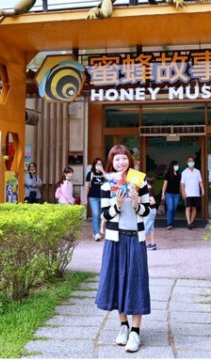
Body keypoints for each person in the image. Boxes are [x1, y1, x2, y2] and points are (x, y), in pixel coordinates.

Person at [95, 144, 151, 353]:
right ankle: (123, 327)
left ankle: (136, 331)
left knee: (136, 282)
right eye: (116, 159)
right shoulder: (108, 183)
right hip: (114, 239)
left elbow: (147, 212)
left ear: (130, 160)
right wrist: (117, 204)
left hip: (135, 238)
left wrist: (137, 204)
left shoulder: (138, 179)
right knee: (117, 281)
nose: (121, 162)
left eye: (124, 158)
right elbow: (104, 215)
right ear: (111, 162)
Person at [84, 158, 108, 241]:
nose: (99, 166)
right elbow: (87, 186)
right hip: (93, 197)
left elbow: (110, 180)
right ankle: (96, 233)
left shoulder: (104, 174)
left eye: (100, 164)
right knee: (96, 214)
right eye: (97, 164)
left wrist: (103, 171)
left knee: (102, 215)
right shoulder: (90, 174)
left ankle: (98, 232)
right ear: (94, 165)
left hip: (103, 197)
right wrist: (85, 197)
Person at [180, 156, 203, 230]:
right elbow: (182, 184)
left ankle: (191, 222)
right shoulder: (184, 172)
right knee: (188, 207)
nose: (191, 162)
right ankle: (189, 222)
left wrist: (202, 189)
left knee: (194, 208)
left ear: (194, 162)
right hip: (188, 193)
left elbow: (200, 181)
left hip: (196, 193)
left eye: (192, 161)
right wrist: (183, 192)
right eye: (189, 161)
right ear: (187, 163)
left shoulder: (197, 171)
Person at [160, 160, 181, 230]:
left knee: (174, 208)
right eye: (176, 165)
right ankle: (169, 223)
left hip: (177, 194)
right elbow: (165, 184)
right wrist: (163, 194)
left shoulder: (179, 174)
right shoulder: (168, 174)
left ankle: (172, 222)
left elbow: (181, 184)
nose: (177, 167)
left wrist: (182, 192)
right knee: (170, 208)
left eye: (178, 165)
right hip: (169, 194)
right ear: (172, 166)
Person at [144, 177, 158, 250]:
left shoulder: (148, 191)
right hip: (152, 211)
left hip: (149, 211)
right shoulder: (151, 190)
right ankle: (152, 244)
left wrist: (144, 202)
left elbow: (153, 202)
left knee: (145, 227)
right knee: (151, 228)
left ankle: (140, 244)